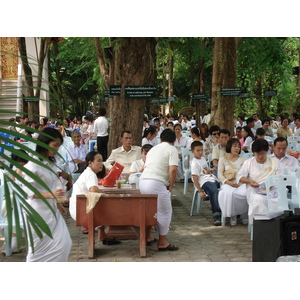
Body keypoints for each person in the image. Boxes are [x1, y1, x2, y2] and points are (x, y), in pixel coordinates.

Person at [22, 127, 72, 261]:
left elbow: (53, 185)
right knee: (38, 250)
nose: (57, 149)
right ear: (44, 143)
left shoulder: (51, 163)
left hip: (52, 210)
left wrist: (58, 204)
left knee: (64, 243)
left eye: (59, 146)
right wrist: (50, 195)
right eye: (55, 145)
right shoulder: (33, 165)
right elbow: (27, 191)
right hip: (37, 212)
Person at [139, 128, 178, 250]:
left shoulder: (153, 149)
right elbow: (173, 169)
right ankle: (162, 242)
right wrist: (171, 185)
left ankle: (148, 237)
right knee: (165, 212)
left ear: (161, 139)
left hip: (143, 181)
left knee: (149, 211)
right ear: (174, 140)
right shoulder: (172, 149)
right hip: (156, 182)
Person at [237, 139, 279, 225]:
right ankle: (260, 225)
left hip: (272, 190)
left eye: (263, 153)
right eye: (258, 154)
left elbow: (280, 178)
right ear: (253, 153)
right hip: (255, 191)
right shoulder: (248, 163)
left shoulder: (274, 162)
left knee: (279, 199)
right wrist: (249, 181)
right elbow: (240, 177)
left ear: (267, 152)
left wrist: (272, 183)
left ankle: (275, 226)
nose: (260, 156)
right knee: (259, 200)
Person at [191, 141, 222, 226]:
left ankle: (227, 211)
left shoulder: (203, 158)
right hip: (204, 182)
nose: (200, 152)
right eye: (198, 150)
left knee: (225, 188)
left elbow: (205, 170)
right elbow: (195, 178)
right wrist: (200, 191)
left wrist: (211, 170)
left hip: (212, 178)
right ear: (192, 151)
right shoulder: (194, 163)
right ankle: (216, 214)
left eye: (201, 150)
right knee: (214, 190)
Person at [218, 138, 248, 226]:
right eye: (234, 146)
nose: (237, 148)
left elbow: (247, 173)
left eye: (238, 146)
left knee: (246, 192)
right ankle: (233, 215)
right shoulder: (223, 159)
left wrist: (241, 182)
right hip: (228, 183)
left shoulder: (244, 159)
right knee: (229, 193)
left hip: (241, 183)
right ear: (229, 147)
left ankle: (245, 215)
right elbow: (220, 174)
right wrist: (228, 182)